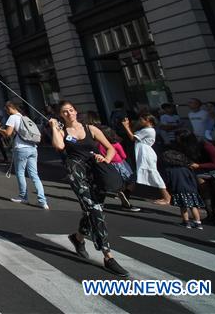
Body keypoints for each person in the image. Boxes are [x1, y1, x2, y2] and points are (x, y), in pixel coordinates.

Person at [49, 101, 128, 277]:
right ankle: (108, 256)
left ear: (76, 111)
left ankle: (77, 238)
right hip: (76, 172)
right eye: (65, 112)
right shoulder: (62, 131)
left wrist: (105, 159)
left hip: (95, 172)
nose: (69, 114)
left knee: (91, 210)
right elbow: (59, 146)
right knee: (94, 209)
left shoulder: (91, 129)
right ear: (60, 115)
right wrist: (54, 127)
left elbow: (110, 148)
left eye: (71, 110)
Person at [0, 101, 48, 209]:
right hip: (33, 148)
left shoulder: (12, 117)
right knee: (34, 175)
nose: (6, 112)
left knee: (20, 173)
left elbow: (8, 133)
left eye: (6, 109)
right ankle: (42, 201)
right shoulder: (24, 117)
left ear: (10, 108)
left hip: (21, 148)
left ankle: (23, 197)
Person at [121, 113, 170, 205]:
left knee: (153, 173)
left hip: (146, 154)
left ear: (148, 120)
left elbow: (132, 137)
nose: (140, 121)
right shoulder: (145, 129)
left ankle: (166, 197)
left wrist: (126, 126)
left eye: (142, 120)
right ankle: (126, 192)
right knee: (139, 172)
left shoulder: (149, 130)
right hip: (142, 153)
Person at [161, 130, 206, 229]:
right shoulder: (187, 168)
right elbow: (192, 178)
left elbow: (169, 181)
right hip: (191, 190)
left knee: (183, 207)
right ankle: (198, 222)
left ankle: (186, 222)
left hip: (180, 190)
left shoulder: (170, 170)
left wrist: (171, 189)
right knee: (194, 206)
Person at [98, 126, 139, 212]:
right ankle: (125, 193)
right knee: (130, 179)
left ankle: (120, 192)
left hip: (108, 164)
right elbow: (124, 156)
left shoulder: (100, 145)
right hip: (120, 164)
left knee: (117, 179)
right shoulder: (116, 144)